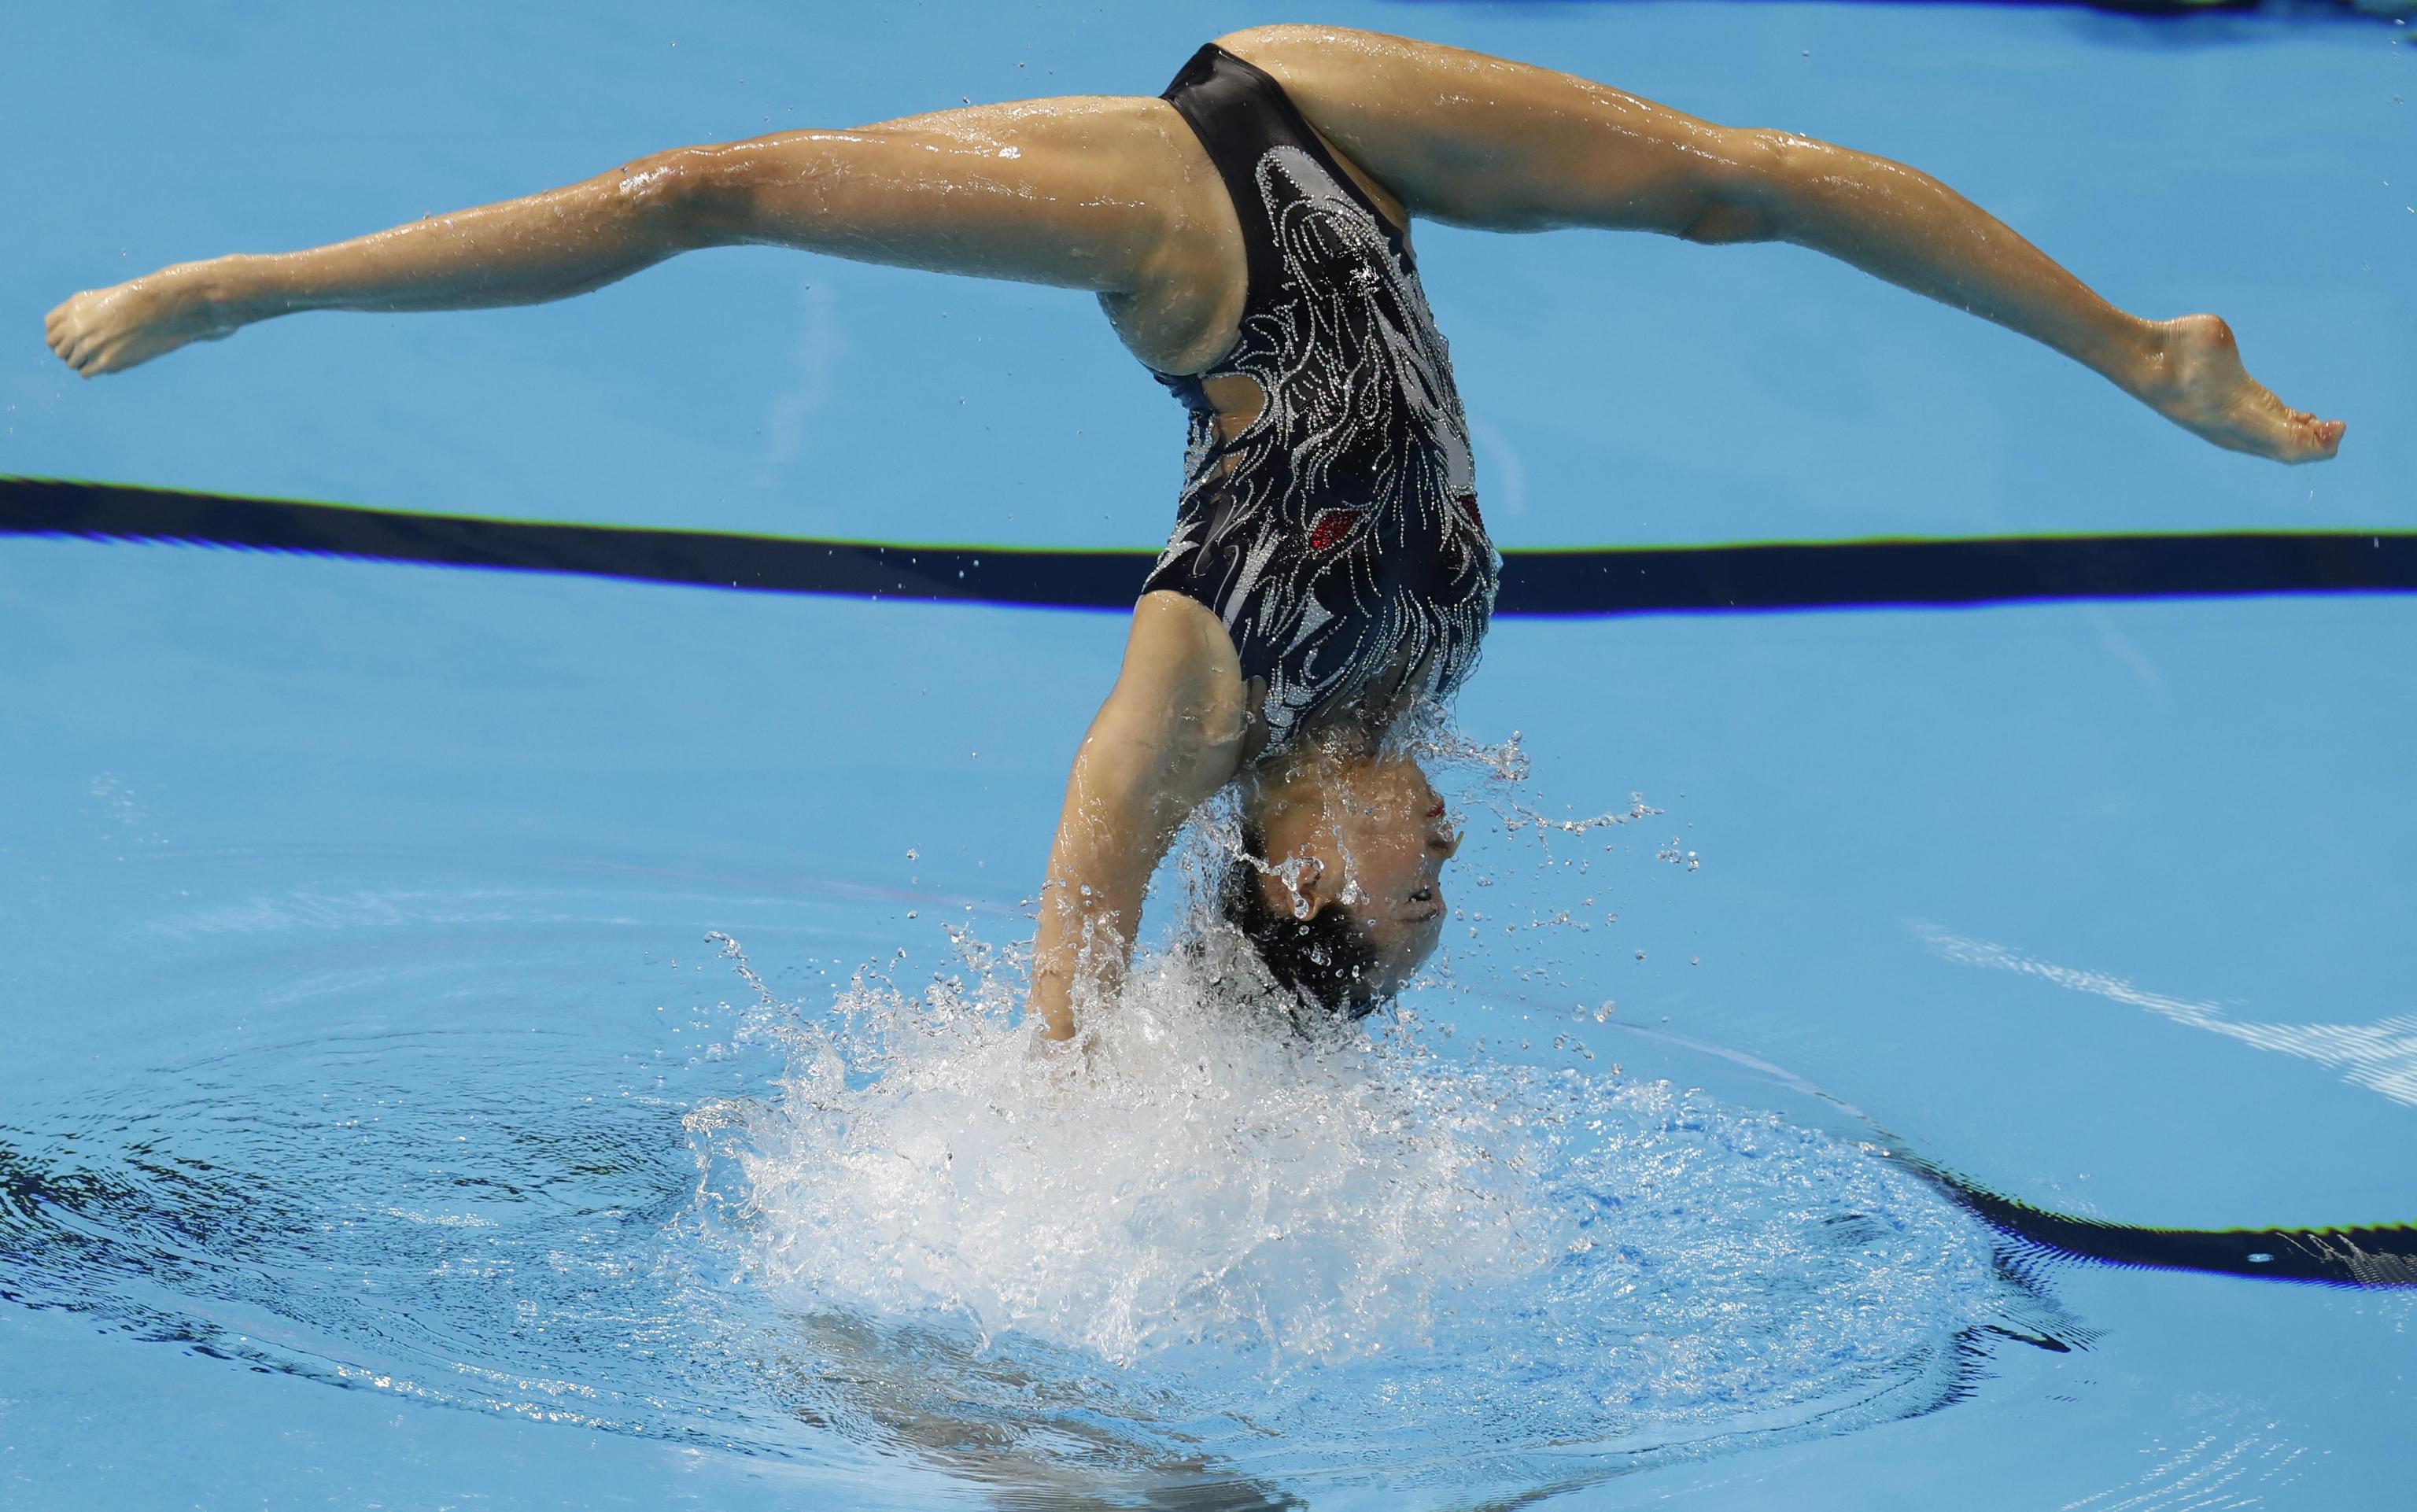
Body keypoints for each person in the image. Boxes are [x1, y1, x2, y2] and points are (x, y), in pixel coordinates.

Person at [42, 25, 2345, 1046]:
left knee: (700, 197)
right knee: (1740, 182)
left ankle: (248, 281)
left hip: (1210, 242)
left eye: (1410, 906)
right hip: (1348, 144)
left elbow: (1081, 868)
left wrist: (1068, 1071)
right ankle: (2153, 351)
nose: (1451, 869)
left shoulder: (1220, 669)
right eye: (1445, 902)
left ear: (1302, 871)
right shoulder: (1415, 676)